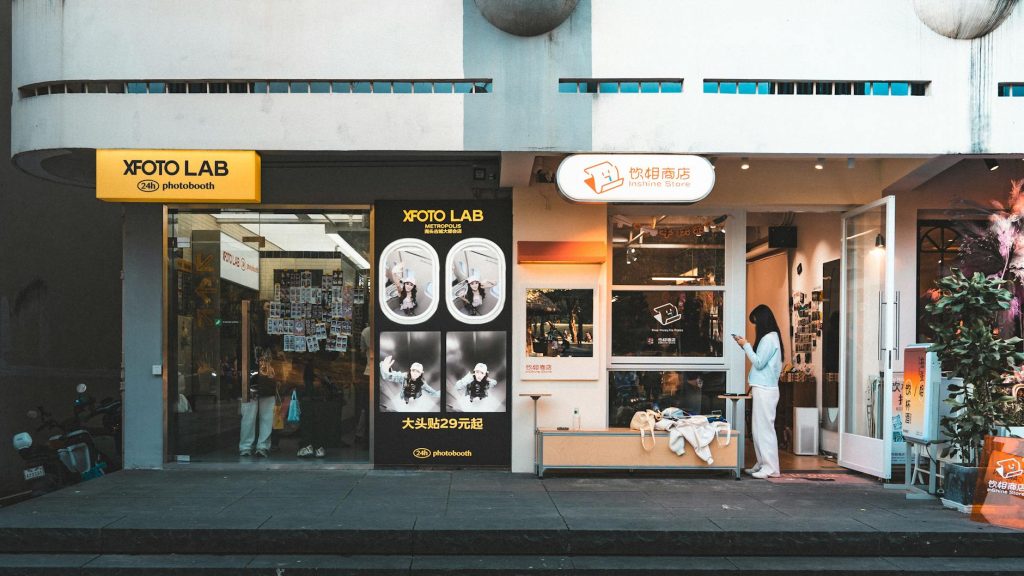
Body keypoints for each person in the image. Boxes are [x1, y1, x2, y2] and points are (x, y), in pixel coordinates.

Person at [731, 304, 784, 479]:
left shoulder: (769, 339)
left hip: (765, 389)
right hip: (764, 388)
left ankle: (770, 467)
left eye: (755, 323)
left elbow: (759, 362)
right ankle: (763, 463)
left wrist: (746, 346)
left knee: (764, 429)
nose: (755, 326)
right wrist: (745, 346)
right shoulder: (772, 338)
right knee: (759, 428)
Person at [239, 352, 276, 458]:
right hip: (264, 379)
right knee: (263, 416)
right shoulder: (269, 343)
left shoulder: (247, 342)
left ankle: (247, 446)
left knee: (250, 416)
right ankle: (260, 446)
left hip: (254, 380)